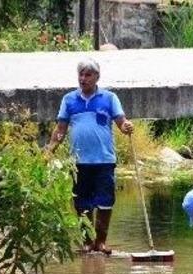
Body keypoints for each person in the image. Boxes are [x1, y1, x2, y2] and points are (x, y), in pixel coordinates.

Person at [45, 58, 134, 255]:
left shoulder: (109, 98)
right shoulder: (69, 100)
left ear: (97, 77)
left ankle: (101, 242)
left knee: (105, 202)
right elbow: (60, 130)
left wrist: (126, 126)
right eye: (81, 74)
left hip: (104, 160)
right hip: (78, 162)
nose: (83, 79)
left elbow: (121, 122)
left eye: (87, 75)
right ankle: (87, 242)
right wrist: (49, 150)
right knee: (82, 203)